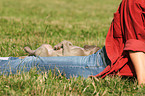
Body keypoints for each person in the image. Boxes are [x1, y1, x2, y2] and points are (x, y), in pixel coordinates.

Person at [0, 0, 145, 84]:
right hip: (102, 64)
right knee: (37, 64)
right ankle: (5, 63)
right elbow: (136, 47)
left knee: (57, 57)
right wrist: (142, 84)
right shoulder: (135, 2)